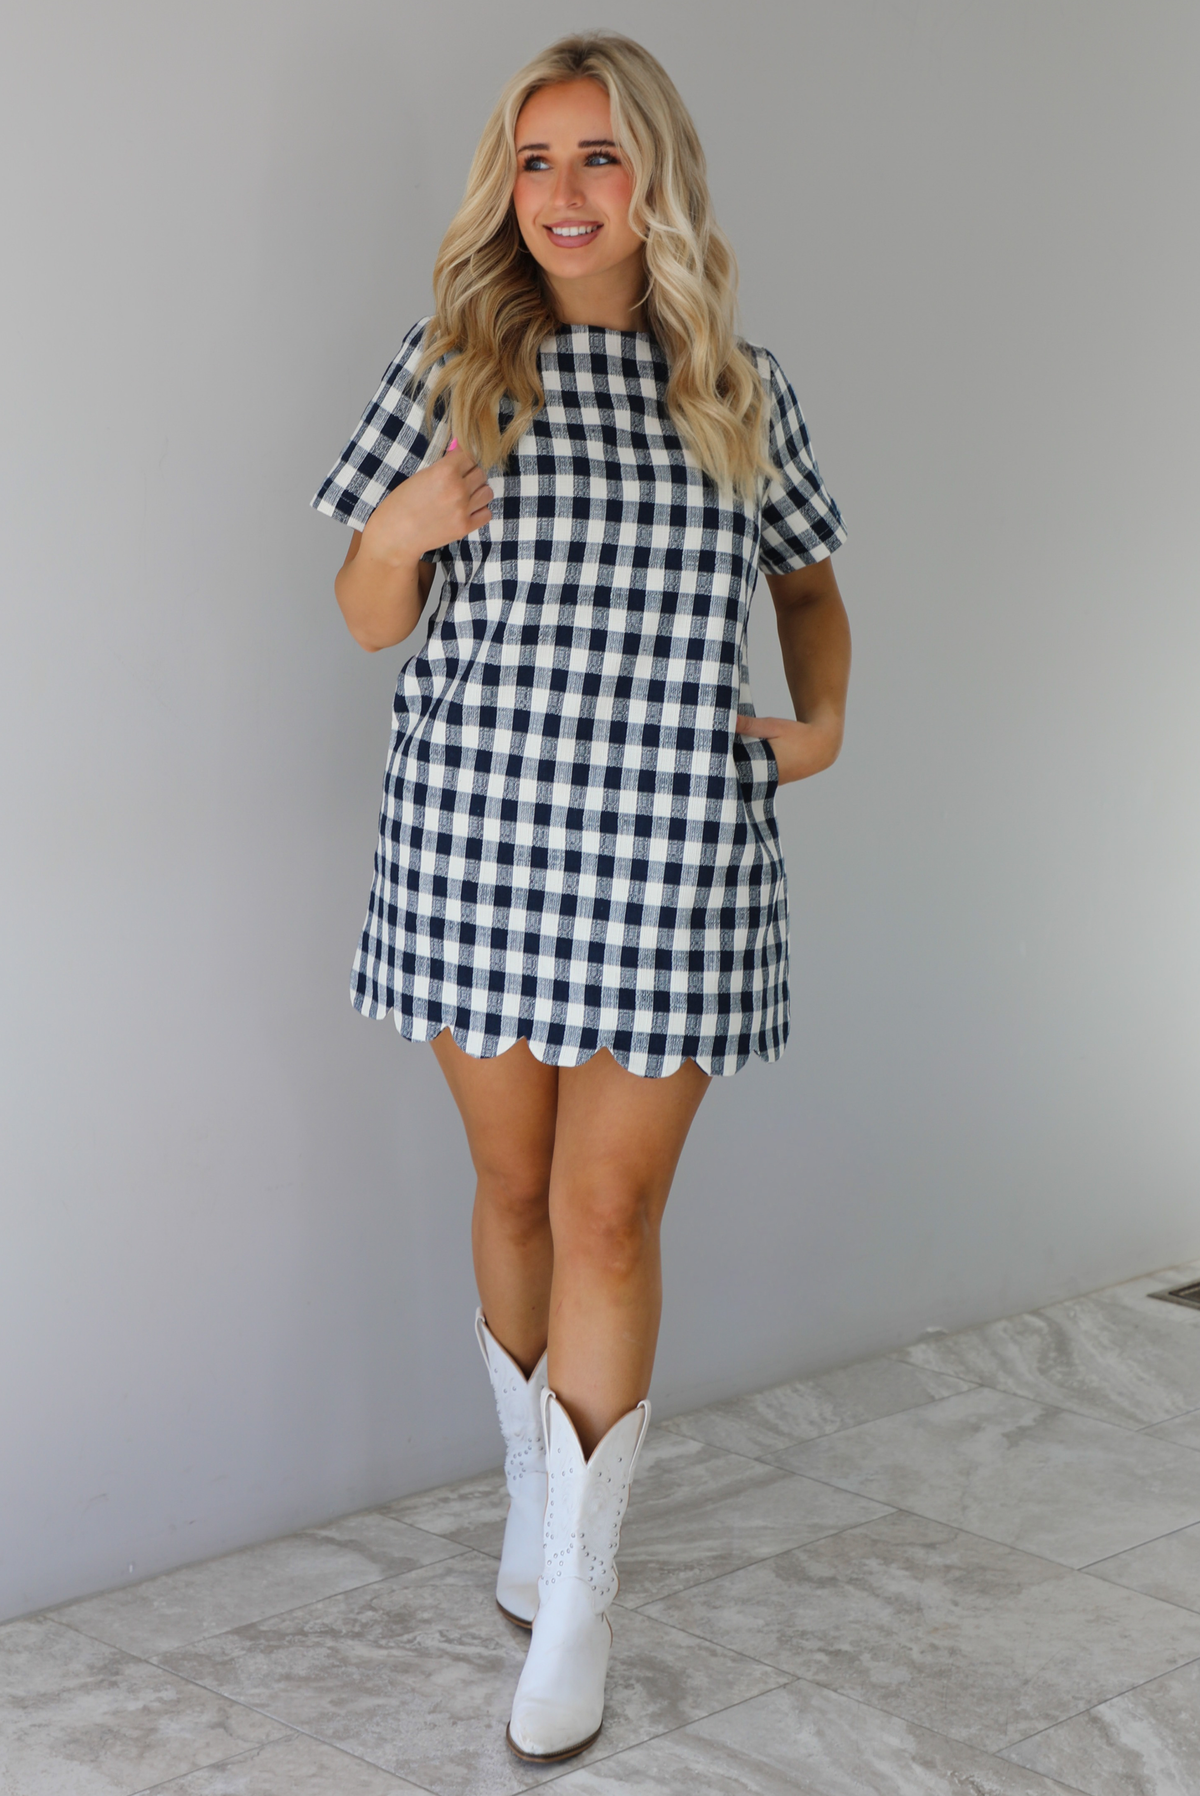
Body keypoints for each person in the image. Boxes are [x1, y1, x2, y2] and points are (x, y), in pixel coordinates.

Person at [312, 30, 849, 1765]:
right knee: (515, 1184)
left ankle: (586, 1597)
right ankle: (533, 1511)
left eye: (598, 159)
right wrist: (396, 534)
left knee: (614, 1217)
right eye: (536, 161)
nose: (564, 193)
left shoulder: (737, 387)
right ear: (506, 188)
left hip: (675, 844)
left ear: (657, 181)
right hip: (474, 838)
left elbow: (812, 586)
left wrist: (821, 724)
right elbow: (364, 614)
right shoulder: (456, 365)